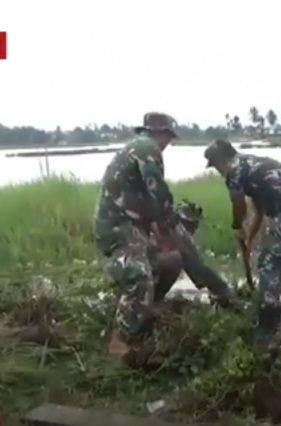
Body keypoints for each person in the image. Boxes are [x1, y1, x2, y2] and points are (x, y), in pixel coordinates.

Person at [94, 113, 234, 357]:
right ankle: (119, 340)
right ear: (161, 133)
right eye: (169, 137)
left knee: (175, 259)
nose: (168, 143)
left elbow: (153, 201)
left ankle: (146, 310)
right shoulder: (146, 147)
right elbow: (157, 189)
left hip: (137, 225)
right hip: (120, 228)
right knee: (139, 275)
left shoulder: (136, 148)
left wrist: (171, 226)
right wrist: (168, 219)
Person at [204, 139, 281, 340]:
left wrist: (237, 226)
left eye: (216, 166)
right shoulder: (250, 166)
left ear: (221, 159)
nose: (218, 171)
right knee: (280, 256)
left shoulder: (235, 169)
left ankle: (268, 325)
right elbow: (258, 211)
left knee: (268, 260)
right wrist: (249, 238)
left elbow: (238, 203)